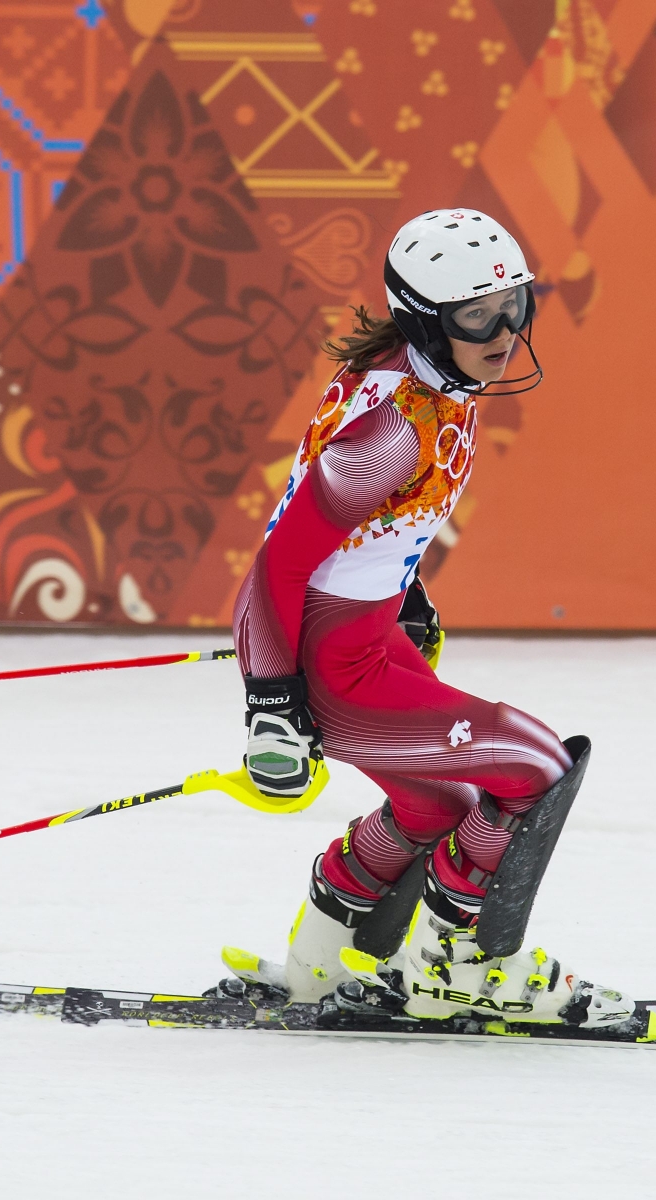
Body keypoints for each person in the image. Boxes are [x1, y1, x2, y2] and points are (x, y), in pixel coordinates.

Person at [226, 208, 632, 1030]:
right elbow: (279, 560)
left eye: (516, 302)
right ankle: (456, 962)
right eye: (478, 315)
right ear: (424, 320)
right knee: (539, 766)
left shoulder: (432, 378)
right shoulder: (393, 432)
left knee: (438, 805)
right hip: (341, 670)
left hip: (366, 641)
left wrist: (403, 599)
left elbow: (374, 529)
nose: (506, 329)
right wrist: (271, 704)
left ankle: (316, 961)